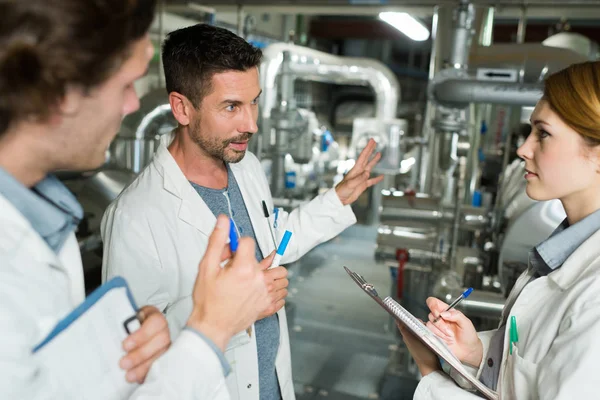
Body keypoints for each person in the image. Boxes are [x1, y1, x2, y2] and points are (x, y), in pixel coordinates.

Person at [0, 1, 271, 398]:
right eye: (127, 84)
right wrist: (209, 329)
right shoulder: (124, 216)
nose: (132, 105)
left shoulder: (45, 219)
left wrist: (119, 347)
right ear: (62, 92)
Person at [101, 23, 383, 400]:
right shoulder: (136, 216)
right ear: (182, 107)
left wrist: (340, 197)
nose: (250, 124)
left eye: (253, 101)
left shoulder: (245, 167)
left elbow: (275, 241)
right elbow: (131, 351)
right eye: (231, 106)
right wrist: (236, 305)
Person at [399, 61, 600, 399]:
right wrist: (476, 353)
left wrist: (430, 374)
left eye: (543, 133)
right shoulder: (566, 248)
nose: (523, 149)